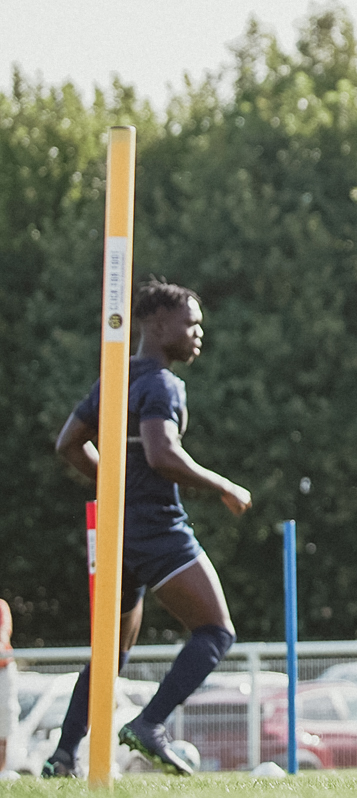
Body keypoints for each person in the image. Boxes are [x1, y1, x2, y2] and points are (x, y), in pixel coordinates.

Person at [44, 279, 250, 777]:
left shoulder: (112, 379)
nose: (199, 332)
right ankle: (150, 724)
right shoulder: (161, 383)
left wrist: (118, 484)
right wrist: (224, 485)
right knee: (216, 632)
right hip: (159, 527)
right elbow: (162, 454)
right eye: (191, 322)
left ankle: (63, 756)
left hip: (119, 527)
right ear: (158, 324)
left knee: (110, 651)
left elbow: (68, 444)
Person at [0, 598, 16, 774]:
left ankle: (1, 772)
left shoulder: (1, 606)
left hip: (2, 670)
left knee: (2, 727)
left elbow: (2, 637)